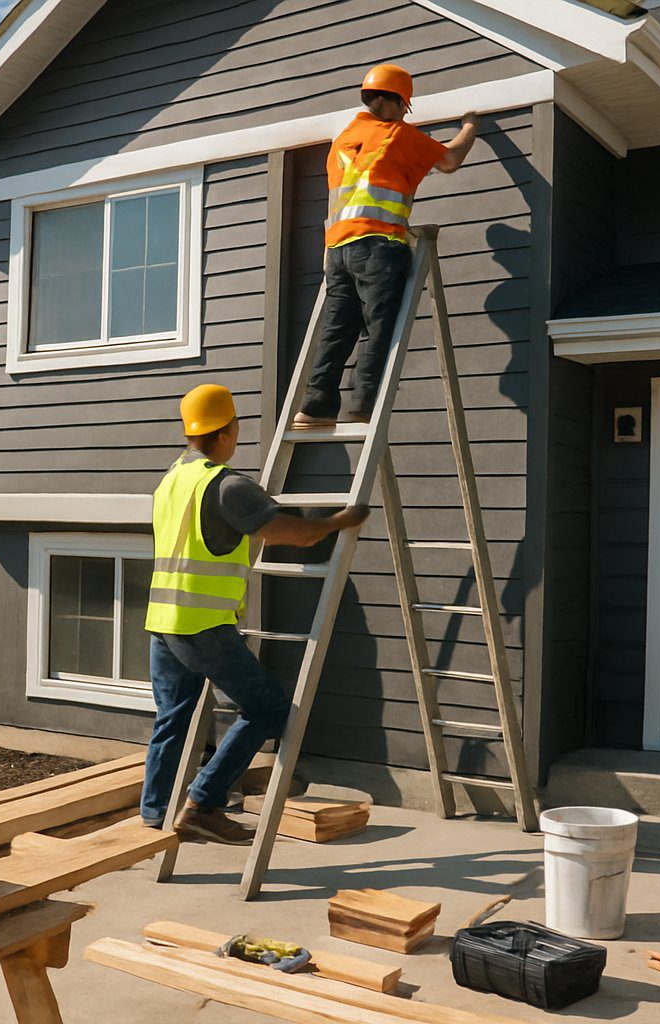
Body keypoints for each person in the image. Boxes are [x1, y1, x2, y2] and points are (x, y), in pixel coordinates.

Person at [141, 384, 369, 843]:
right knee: (266, 709)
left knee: (174, 716)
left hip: (162, 623)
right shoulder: (228, 485)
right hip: (201, 625)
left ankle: (157, 810)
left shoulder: (172, 479)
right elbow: (295, 535)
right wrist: (342, 520)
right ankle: (203, 804)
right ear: (229, 430)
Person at [292, 63, 479, 429]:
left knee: (337, 328)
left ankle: (316, 405)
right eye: (405, 107)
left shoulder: (343, 141)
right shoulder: (397, 135)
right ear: (394, 102)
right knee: (378, 325)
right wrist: (471, 125)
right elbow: (450, 160)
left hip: (337, 250)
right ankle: (364, 401)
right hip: (377, 245)